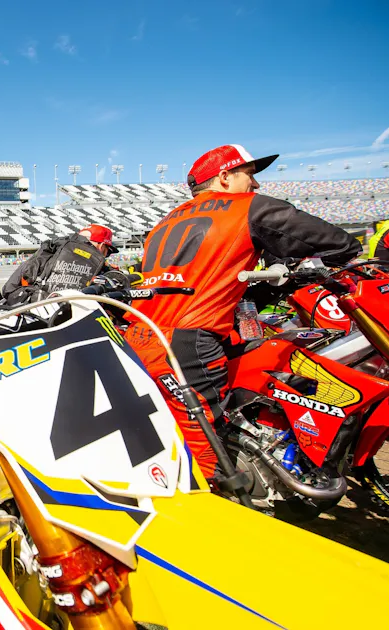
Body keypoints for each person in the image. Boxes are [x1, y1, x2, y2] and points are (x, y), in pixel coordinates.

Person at [123, 144, 361, 478]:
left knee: (165, 429)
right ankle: (214, 501)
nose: (256, 184)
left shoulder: (164, 222)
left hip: (139, 334)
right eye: (249, 175)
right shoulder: (248, 207)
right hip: (187, 340)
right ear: (224, 177)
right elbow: (341, 244)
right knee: (205, 447)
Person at [2, 223, 117, 301]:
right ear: (102, 246)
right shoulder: (99, 264)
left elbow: (9, 288)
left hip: (35, 312)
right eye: (108, 251)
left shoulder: (52, 248)